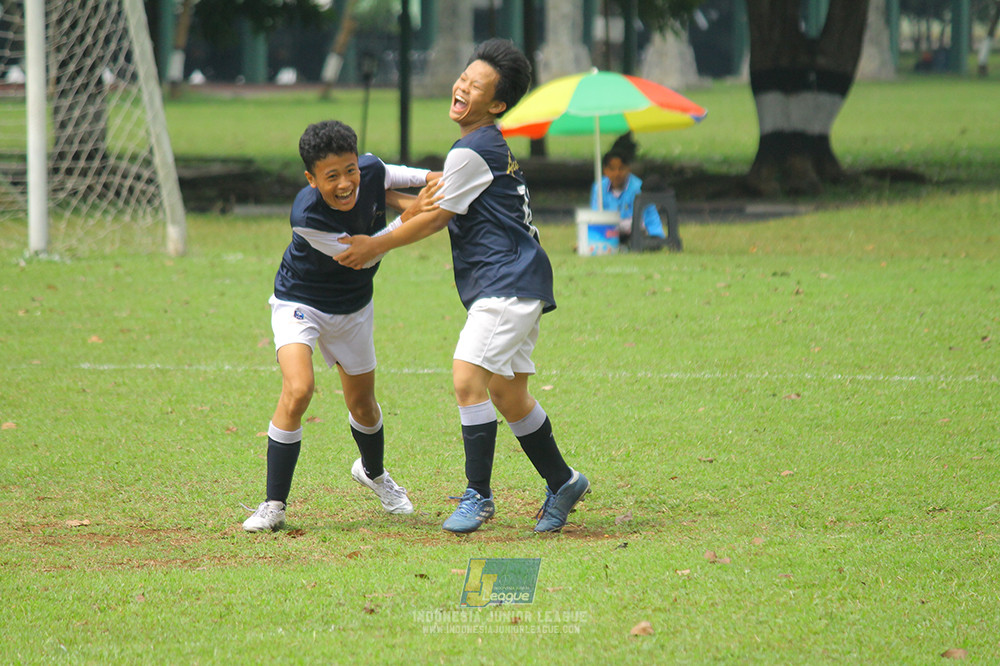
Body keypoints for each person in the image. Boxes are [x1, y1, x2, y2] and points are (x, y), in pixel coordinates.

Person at [335, 38, 590, 534]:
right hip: (517, 279)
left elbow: (430, 221)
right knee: (507, 393)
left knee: (466, 377)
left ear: (496, 105)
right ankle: (563, 480)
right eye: (463, 78)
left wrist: (373, 246)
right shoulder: (479, 148)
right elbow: (428, 207)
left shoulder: (472, 151)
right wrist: (384, 193)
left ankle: (479, 496)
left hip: (507, 283)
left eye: (475, 86)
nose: (461, 87)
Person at [242, 120, 441, 532]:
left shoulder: (369, 170)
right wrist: (412, 211)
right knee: (299, 389)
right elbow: (363, 255)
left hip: (353, 309)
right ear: (311, 179)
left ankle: (373, 473)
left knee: (363, 406)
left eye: (350, 170)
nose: (346, 183)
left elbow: (406, 175)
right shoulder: (307, 215)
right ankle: (273, 504)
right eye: (331, 176)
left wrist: (441, 180)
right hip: (301, 302)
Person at [590, 132, 666, 245]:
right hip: (609, 233)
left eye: (621, 168)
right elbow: (596, 217)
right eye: (612, 169)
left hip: (642, 234)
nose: (617, 173)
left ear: (628, 169)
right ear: (604, 170)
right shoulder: (599, 188)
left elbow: (647, 220)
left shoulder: (638, 188)